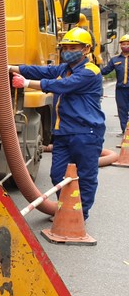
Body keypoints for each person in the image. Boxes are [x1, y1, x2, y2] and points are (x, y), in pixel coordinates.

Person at [9, 27, 105, 220]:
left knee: (85, 176)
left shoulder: (90, 71)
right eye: (66, 47)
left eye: (73, 47)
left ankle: (79, 215)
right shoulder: (64, 69)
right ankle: (66, 208)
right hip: (63, 132)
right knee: (57, 174)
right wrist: (11, 68)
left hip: (86, 132)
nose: (68, 51)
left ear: (86, 49)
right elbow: (43, 70)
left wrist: (26, 83)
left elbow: (63, 86)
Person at [100, 34, 129, 135]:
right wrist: (92, 71)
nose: (125, 46)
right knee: (122, 110)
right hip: (121, 89)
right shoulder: (115, 60)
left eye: (127, 44)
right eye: (123, 44)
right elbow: (105, 70)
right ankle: (125, 131)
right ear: (120, 45)